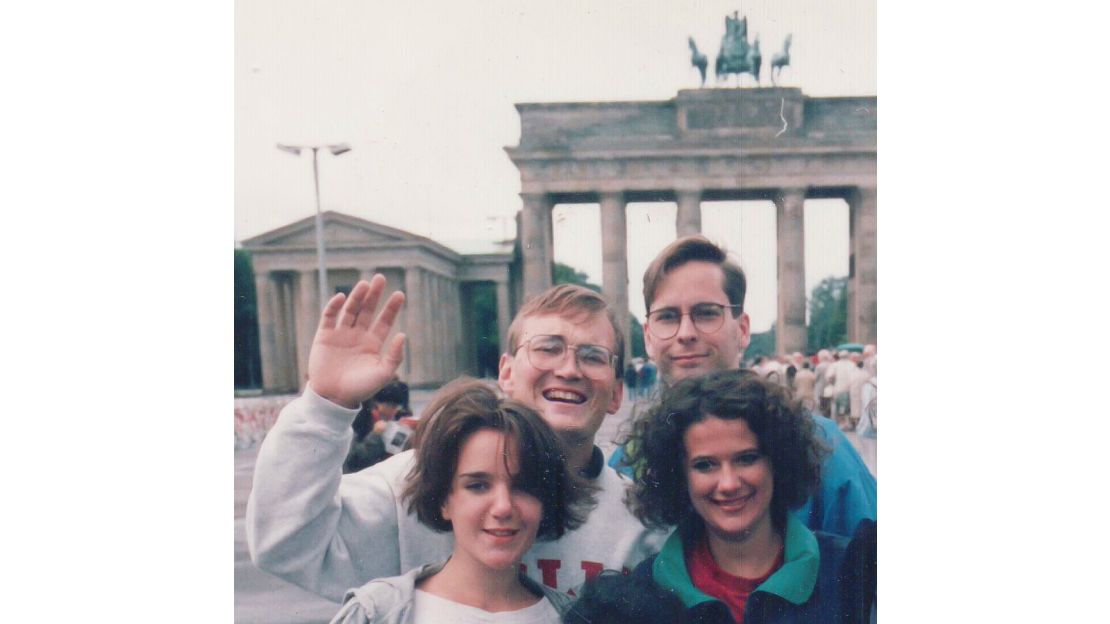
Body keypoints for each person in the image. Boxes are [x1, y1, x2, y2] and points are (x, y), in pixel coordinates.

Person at [247, 277, 668, 601]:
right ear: (506, 373)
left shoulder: (644, 517)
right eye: (547, 348)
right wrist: (325, 403)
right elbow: (284, 544)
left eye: (592, 356)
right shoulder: (420, 481)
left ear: (616, 392)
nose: (569, 368)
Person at [637, 235, 876, 538]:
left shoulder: (824, 450)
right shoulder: (625, 464)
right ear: (648, 336)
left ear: (743, 329)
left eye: (707, 313)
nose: (686, 333)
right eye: (668, 317)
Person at [623, 370, 876, 623]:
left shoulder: (853, 573)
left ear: (777, 462)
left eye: (746, 459)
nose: (729, 483)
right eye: (705, 465)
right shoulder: (645, 591)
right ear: (680, 476)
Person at [330, 379, 590, 623]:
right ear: (443, 499)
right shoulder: (377, 614)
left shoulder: (575, 617)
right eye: (477, 486)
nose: (502, 507)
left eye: (524, 487)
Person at [343, 379, 411, 473]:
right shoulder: (361, 420)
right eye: (390, 405)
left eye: (396, 407)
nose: (394, 410)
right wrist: (375, 435)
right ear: (378, 404)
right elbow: (355, 460)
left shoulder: (396, 419)